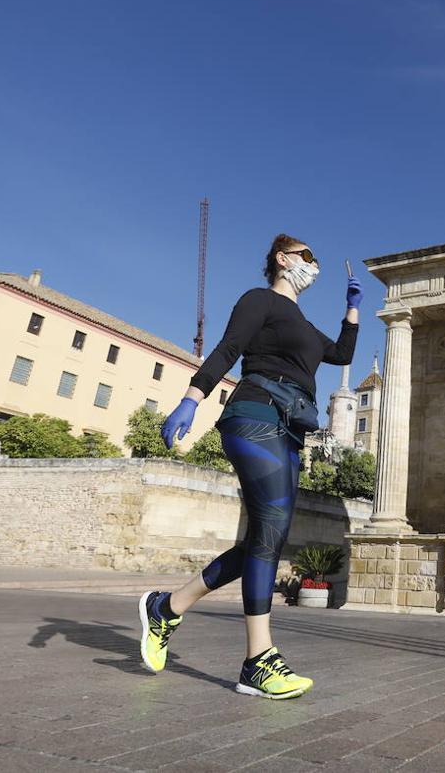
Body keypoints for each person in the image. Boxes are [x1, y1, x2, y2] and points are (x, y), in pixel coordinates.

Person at [137, 234, 359, 699]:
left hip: (291, 430)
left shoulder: (302, 323)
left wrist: (351, 310)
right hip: (256, 415)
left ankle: (167, 607)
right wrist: (191, 398)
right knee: (271, 531)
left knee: (266, 539)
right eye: (307, 256)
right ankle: (259, 660)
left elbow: (340, 355)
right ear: (282, 259)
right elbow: (228, 348)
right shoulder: (259, 300)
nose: (313, 265)